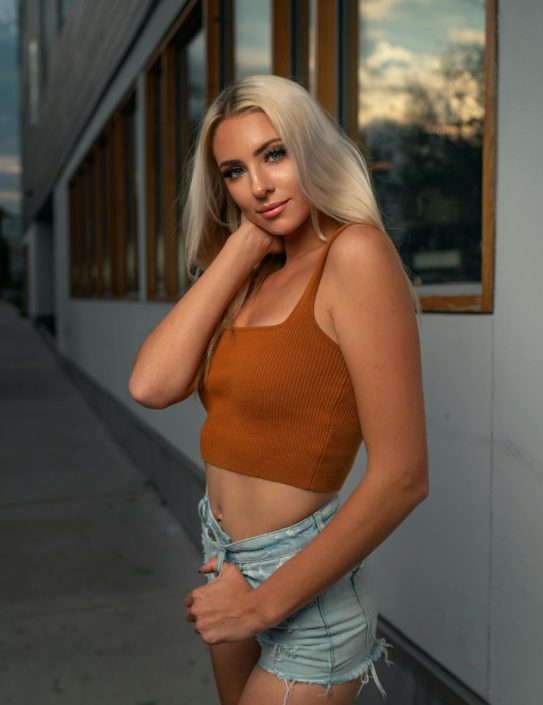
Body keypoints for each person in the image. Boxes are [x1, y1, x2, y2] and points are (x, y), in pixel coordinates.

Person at [128, 74, 428, 705]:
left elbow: (403, 476)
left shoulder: (356, 255)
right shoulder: (254, 274)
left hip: (298, 584)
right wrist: (242, 249)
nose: (257, 186)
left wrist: (264, 605)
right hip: (225, 561)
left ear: (310, 149)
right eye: (234, 171)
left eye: (274, 154)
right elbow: (152, 385)